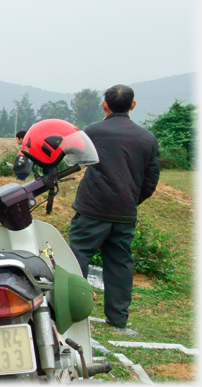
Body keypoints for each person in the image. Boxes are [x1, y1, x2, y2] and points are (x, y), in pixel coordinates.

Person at [68, 84, 160, 334]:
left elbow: (73, 160)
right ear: (132, 105)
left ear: (104, 105)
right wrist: (130, 200)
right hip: (125, 211)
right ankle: (118, 321)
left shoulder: (93, 132)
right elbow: (151, 180)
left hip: (92, 208)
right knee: (119, 263)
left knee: (76, 258)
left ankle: (71, 312)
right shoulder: (147, 138)